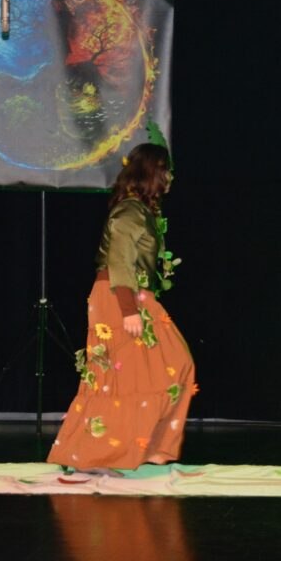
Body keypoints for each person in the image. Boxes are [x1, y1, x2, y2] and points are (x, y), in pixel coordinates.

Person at [47, 143, 196, 476]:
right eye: (166, 171)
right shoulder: (130, 211)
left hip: (135, 295)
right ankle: (93, 456)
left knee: (172, 365)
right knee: (117, 378)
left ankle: (138, 447)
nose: (170, 177)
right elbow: (119, 260)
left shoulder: (141, 211)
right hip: (120, 297)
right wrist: (129, 309)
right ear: (151, 173)